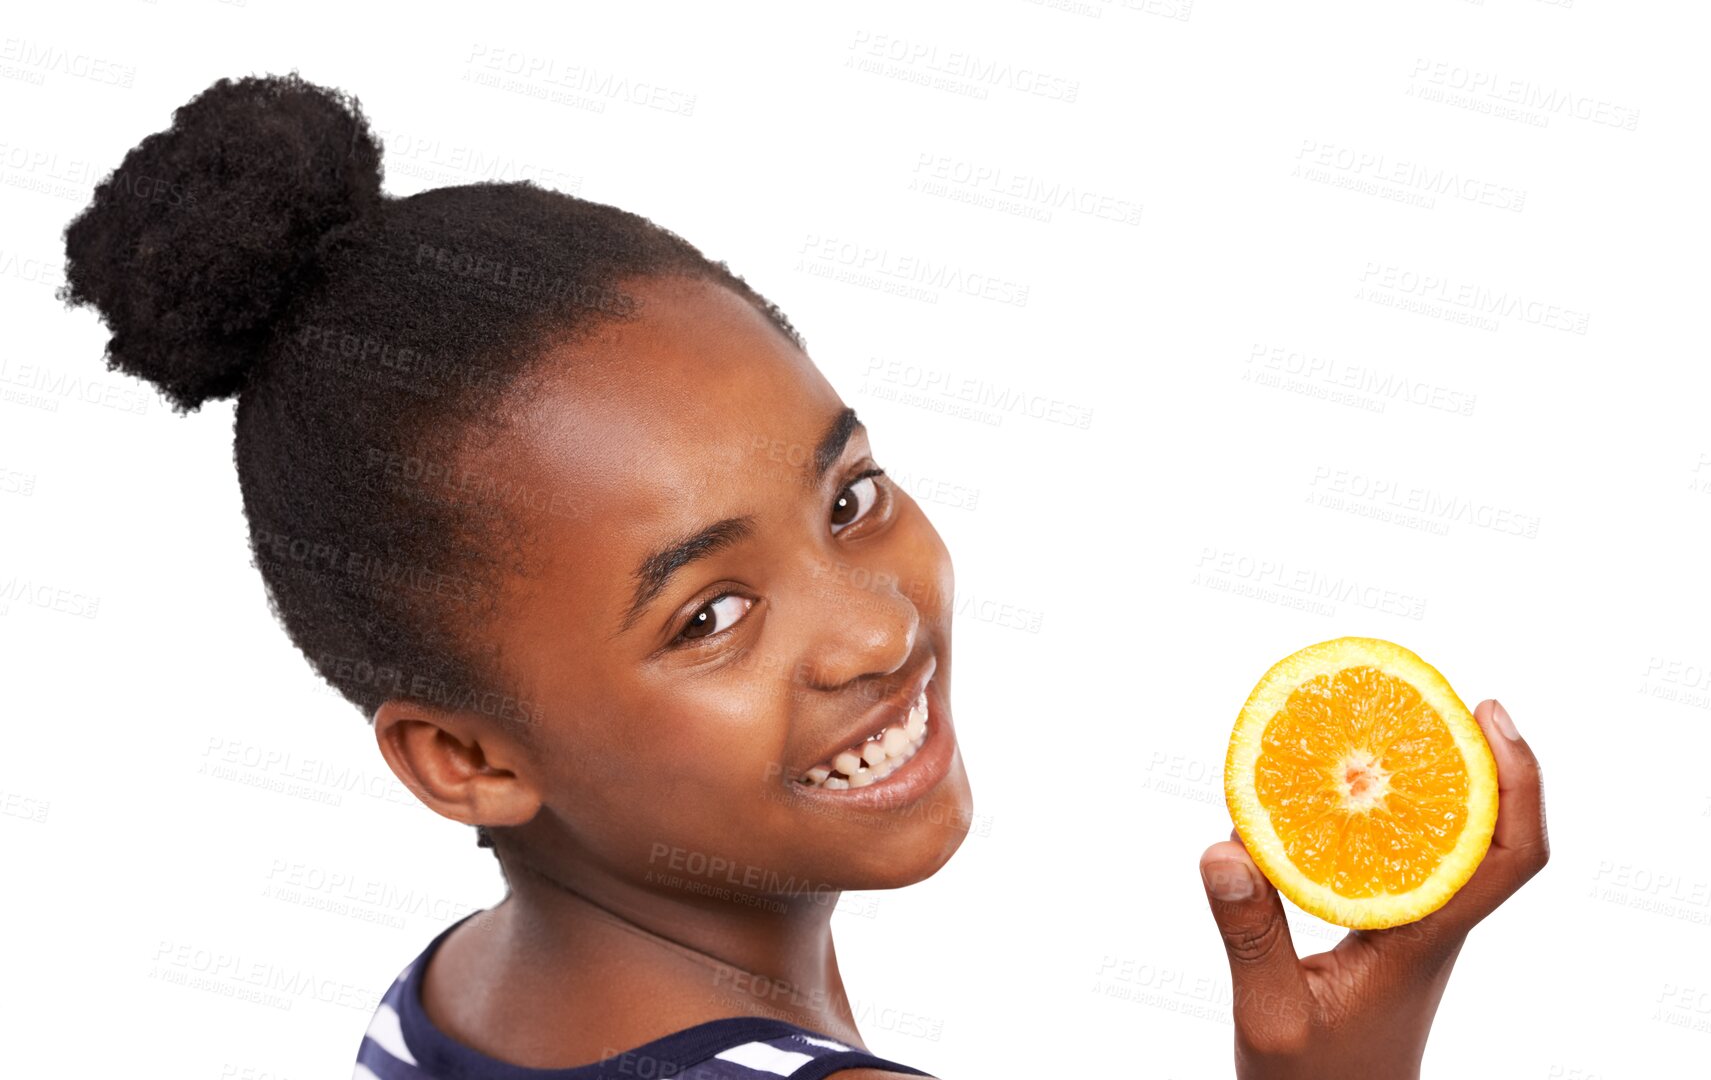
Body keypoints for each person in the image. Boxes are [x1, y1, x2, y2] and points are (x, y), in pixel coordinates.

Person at [57, 71, 1548, 1080]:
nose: (877, 626)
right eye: (708, 614)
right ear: (463, 757)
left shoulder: (452, 999)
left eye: (847, 497)